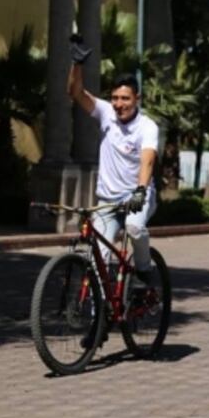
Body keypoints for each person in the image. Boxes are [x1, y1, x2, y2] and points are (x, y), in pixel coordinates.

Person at [67, 34, 159, 284]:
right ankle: (101, 316)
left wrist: (140, 192)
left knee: (134, 228)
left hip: (136, 196)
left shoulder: (147, 127)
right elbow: (75, 92)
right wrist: (76, 63)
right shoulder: (106, 113)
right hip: (107, 200)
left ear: (136, 99)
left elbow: (147, 161)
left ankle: (143, 271)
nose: (119, 104)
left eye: (125, 99)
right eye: (116, 98)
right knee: (98, 260)